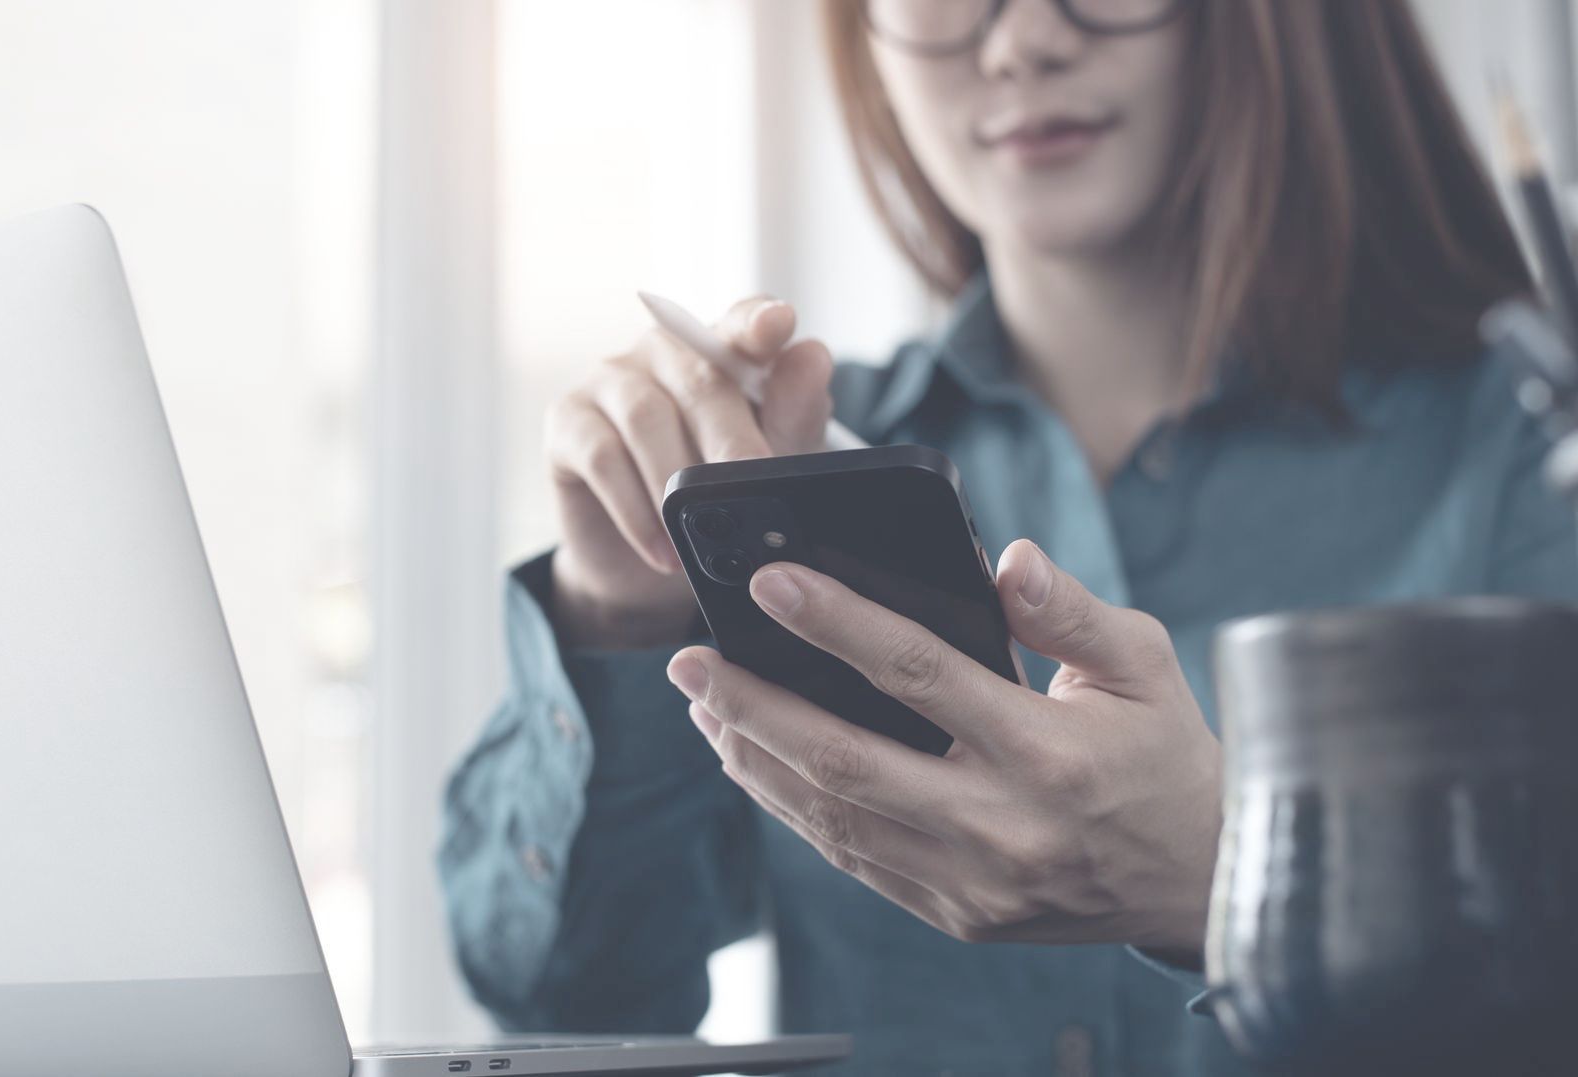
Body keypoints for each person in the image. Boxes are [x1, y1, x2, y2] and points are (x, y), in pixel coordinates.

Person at [438, 1, 1578, 1074]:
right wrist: (616, 609)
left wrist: (1231, 883)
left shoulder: (1530, 457)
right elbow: (565, 1010)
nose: (1021, 41)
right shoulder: (796, 476)